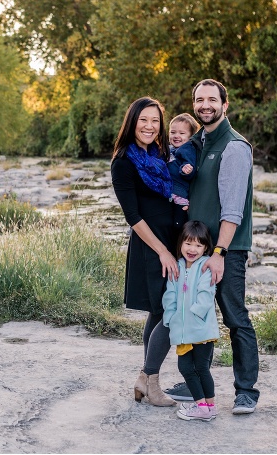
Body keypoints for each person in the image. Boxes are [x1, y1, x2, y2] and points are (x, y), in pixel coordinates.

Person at [163, 79, 260, 415]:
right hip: (195, 248)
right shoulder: (196, 144)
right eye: (199, 99)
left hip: (224, 250)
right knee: (195, 317)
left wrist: (218, 253)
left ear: (225, 105)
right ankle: (196, 384)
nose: (205, 105)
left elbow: (233, 209)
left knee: (235, 318)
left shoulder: (234, 147)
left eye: (212, 100)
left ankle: (246, 391)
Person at [111, 97, 179, 407]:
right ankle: (149, 380)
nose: (150, 126)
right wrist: (163, 251)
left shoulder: (160, 155)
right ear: (132, 122)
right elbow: (133, 217)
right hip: (150, 245)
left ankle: (147, 379)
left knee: (159, 310)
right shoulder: (124, 162)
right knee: (168, 310)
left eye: (155, 121)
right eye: (144, 120)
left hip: (170, 241)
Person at [162, 220, 219, 422]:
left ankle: (206, 407)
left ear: (205, 248)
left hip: (201, 328)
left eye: (198, 245)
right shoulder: (176, 266)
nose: (192, 249)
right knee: (186, 367)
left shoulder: (205, 266)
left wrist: (195, 313)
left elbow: (206, 293)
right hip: (183, 329)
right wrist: (170, 317)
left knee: (201, 368)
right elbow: (170, 294)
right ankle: (204, 406)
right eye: (188, 243)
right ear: (181, 244)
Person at [167, 113, 200, 230]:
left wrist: (186, 169)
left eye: (182, 133)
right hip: (169, 192)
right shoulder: (169, 148)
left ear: (191, 136)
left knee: (178, 226)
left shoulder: (187, 149)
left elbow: (189, 164)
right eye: (173, 132)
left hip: (180, 195)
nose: (176, 136)